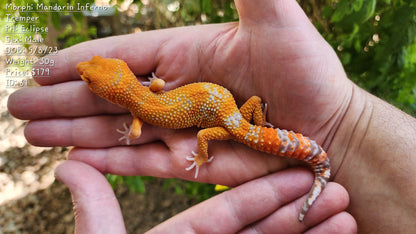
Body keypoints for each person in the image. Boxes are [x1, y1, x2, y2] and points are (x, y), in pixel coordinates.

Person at [8, 0, 416, 233]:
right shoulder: (145, 91)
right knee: (250, 110)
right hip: (234, 112)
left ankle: (215, 153)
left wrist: (195, 151)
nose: (89, 69)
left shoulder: (137, 108)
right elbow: (152, 90)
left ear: (113, 85)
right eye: (91, 72)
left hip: (226, 124)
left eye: (93, 70)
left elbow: (135, 129)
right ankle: (282, 136)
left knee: (206, 138)